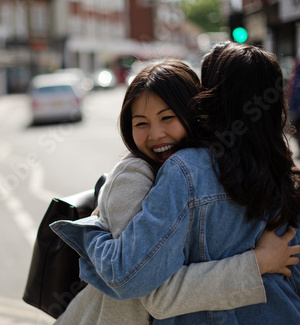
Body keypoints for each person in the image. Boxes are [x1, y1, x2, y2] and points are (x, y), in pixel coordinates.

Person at [51, 43, 300, 324]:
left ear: (210, 99)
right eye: (141, 123)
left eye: (168, 117)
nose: (156, 133)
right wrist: (260, 263)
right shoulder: (287, 173)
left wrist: (93, 230)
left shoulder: (185, 171)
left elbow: (134, 280)